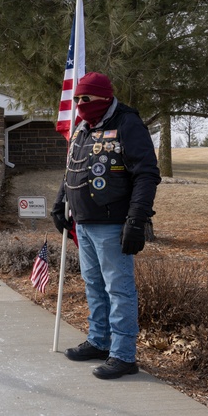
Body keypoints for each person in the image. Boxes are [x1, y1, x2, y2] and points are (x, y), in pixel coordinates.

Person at [52, 71, 160, 380]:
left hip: (112, 223)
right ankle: (100, 341)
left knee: (119, 289)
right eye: (77, 99)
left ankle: (124, 355)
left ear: (104, 97)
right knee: (94, 286)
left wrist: (137, 220)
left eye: (86, 99)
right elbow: (71, 168)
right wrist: (60, 203)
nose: (80, 104)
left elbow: (146, 174)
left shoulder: (127, 124)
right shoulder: (82, 129)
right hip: (83, 223)